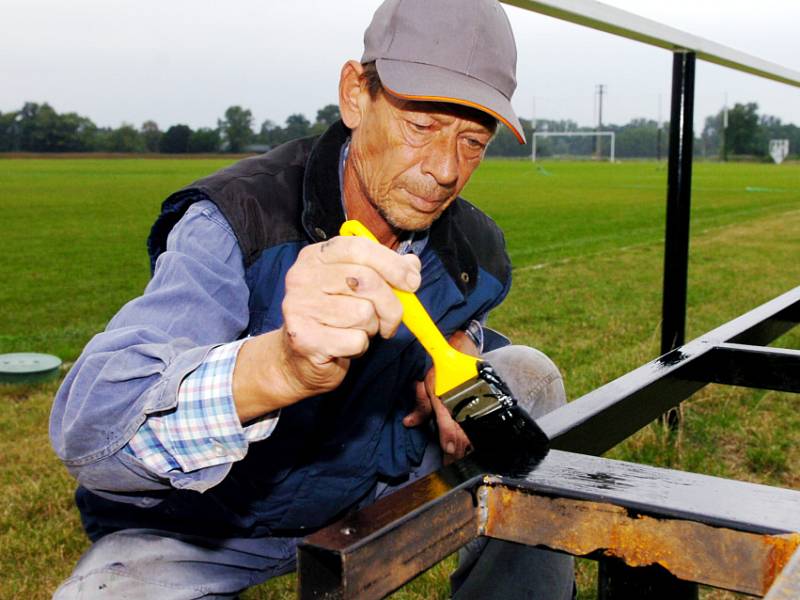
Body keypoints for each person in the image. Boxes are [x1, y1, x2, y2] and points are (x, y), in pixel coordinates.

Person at [50, 0, 575, 597]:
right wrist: (278, 367)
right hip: (211, 525)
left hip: (368, 487)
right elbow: (91, 431)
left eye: (473, 142)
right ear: (355, 94)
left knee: (528, 378)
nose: (446, 170)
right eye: (421, 126)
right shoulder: (236, 221)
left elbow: (465, 320)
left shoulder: (473, 245)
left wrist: (457, 349)